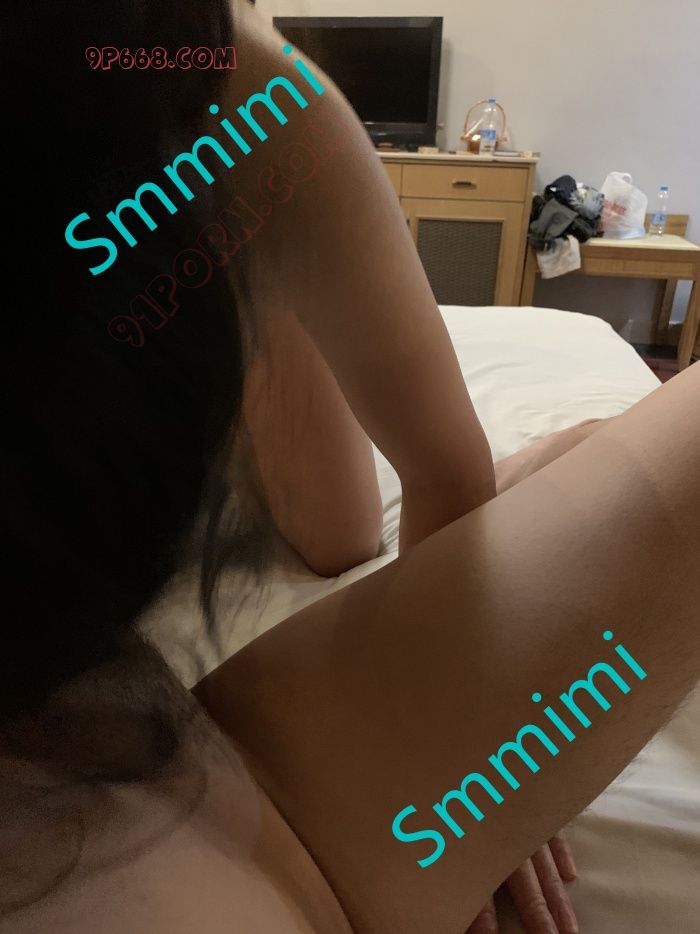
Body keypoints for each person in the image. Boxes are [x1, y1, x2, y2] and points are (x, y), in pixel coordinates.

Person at [3, 2, 700, 933]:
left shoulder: (234, 88)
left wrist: (471, 713)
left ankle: (268, 275)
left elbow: (446, 469)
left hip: (202, 170)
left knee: (342, 535)